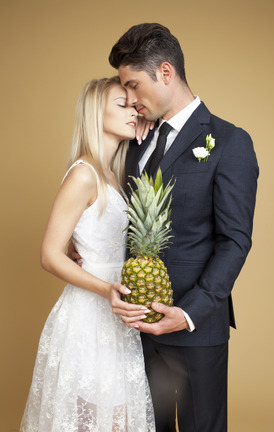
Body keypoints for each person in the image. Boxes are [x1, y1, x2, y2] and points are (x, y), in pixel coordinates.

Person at [107, 23, 259, 432]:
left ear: (167, 72)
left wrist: (189, 313)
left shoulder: (230, 142)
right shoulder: (135, 141)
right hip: (135, 328)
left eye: (135, 86)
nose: (130, 100)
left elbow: (234, 241)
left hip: (194, 328)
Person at [20, 76, 155, 432]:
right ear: (96, 114)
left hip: (116, 312)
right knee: (93, 419)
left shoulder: (113, 174)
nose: (134, 111)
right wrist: (105, 290)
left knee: (117, 420)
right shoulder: (84, 174)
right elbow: (49, 254)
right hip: (89, 315)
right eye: (122, 105)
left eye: (134, 105)